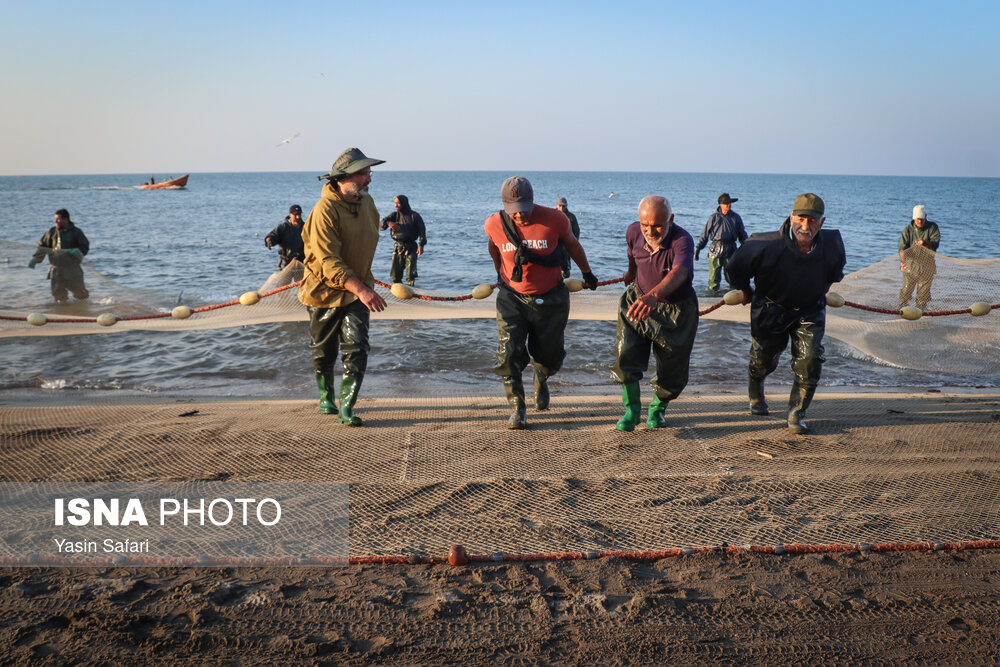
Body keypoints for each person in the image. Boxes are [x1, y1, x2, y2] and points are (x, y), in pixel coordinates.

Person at [725, 193, 846, 435]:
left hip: (810, 309)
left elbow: (833, 275)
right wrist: (747, 291)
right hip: (771, 309)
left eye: (812, 221)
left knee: (809, 360)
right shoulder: (763, 244)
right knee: (763, 360)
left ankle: (796, 413)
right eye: (801, 219)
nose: (805, 226)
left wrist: (817, 292)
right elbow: (734, 269)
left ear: (822, 222)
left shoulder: (832, 244)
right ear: (791, 217)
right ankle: (756, 389)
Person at [485, 176, 599, 429]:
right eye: (514, 211)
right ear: (504, 206)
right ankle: (518, 408)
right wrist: (501, 274)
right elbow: (494, 248)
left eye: (524, 209)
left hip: (551, 296)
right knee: (508, 353)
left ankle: (541, 376)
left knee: (550, 356)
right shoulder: (493, 223)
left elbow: (573, 245)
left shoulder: (556, 219)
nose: (520, 215)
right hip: (512, 297)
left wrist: (587, 273)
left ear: (533, 201)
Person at [298, 147, 388, 426]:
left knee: (357, 347)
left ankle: (347, 407)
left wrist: (361, 287)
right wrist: (362, 289)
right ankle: (326, 397)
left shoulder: (368, 203)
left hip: (357, 291)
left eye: (369, 173)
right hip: (323, 292)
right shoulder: (324, 210)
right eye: (363, 174)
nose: (369, 179)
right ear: (342, 178)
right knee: (323, 350)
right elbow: (328, 261)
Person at [611, 196, 699, 431]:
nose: (650, 231)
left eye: (658, 226)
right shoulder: (633, 232)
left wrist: (654, 296)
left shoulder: (683, 240)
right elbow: (632, 254)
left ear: (671, 219)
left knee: (672, 367)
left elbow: (680, 272)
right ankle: (631, 411)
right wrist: (630, 273)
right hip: (638, 300)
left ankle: (657, 409)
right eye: (645, 225)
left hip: (676, 310)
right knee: (625, 353)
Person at [29, 208, 90, 302]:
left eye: (58, 219)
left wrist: (78, 251)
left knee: (81, 295)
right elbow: (42, 246)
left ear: (66, 219)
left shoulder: (76, 232)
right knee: (59, 297)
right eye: (55, 219)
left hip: (73, 270)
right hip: (56, 271)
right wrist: (36, 259)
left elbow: (85, 246)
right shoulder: (51, 232)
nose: (55, 221)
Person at [694, 193, 748, 293]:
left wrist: (747, 247)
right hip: (715, 249)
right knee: (714, 277)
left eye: (730, 203)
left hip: (731, 248)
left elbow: (742, 234)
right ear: (721, 205)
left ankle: (733, 294)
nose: (729, 205)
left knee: (732, 276)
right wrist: (698, 249)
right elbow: (705, 234)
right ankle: (712, 295)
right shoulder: (713, 218)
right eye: (726, 203)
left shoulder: (736, 217)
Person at [898, 204, 941, 311]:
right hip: (910, 265)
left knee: (923, 295)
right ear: (914, 218)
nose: (920, 222)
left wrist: (924, 243)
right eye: (918, 220)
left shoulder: (932, 227)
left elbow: (935, 244)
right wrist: (902, 262)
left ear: (925, 217)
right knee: (906, 292)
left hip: (927, 265)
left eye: (922, 219)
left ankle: (921, 312)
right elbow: (902, 248)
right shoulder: (907, 230)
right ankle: (901, 310)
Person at [379, 195, 427, 286]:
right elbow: (380, 225)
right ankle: (398, 291)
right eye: (395, 203)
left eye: (398, 203)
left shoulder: (414, 216)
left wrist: (421, 245)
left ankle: (412, 290)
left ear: (404, 203)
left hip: (411, 247)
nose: (396, 205)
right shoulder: (394, 216)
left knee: (410, 275)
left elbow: (422, 231)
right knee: (395, 275)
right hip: (398, 247)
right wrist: (389, 223)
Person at [264, 204, 306, 269]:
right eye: (295, 215)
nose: (298, 217)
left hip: (300, 262)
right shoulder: (283, 227)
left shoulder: (305, 227)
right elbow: (272, 236)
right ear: (290, 215)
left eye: (299, 214)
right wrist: (269, 240)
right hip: (286, 262)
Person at [555, 197, 581, 278]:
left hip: (566, 247)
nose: (561, 208)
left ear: (566, 206)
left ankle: (565, 279)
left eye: (563, 206)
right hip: (554, 246)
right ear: (556, 205)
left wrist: (572, 245)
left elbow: (576, 232)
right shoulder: (552, 215)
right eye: (560, 206)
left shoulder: (571, 217)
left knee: (565, 270)